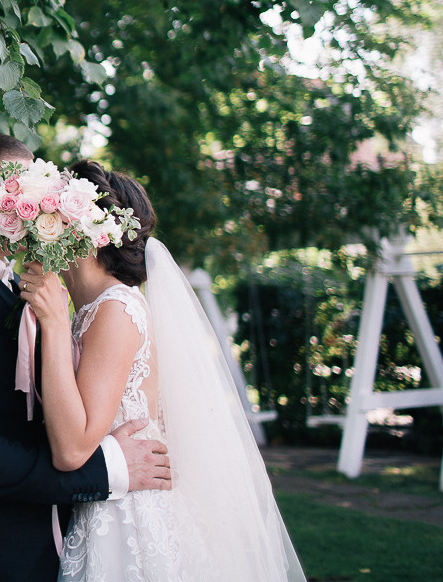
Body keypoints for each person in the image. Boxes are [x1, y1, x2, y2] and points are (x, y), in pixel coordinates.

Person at [0, 131, 172, 582]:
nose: (37, 203)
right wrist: (107, 469)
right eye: (20, 191)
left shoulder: (2, 284)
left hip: (44, 549)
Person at [18, 160, 306, 582]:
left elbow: (72, 449)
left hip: (124, 520)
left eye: (52, 215)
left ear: (83, 228)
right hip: (105, 500)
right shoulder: (90, 311)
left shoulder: (115, 310)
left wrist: (56, 325)